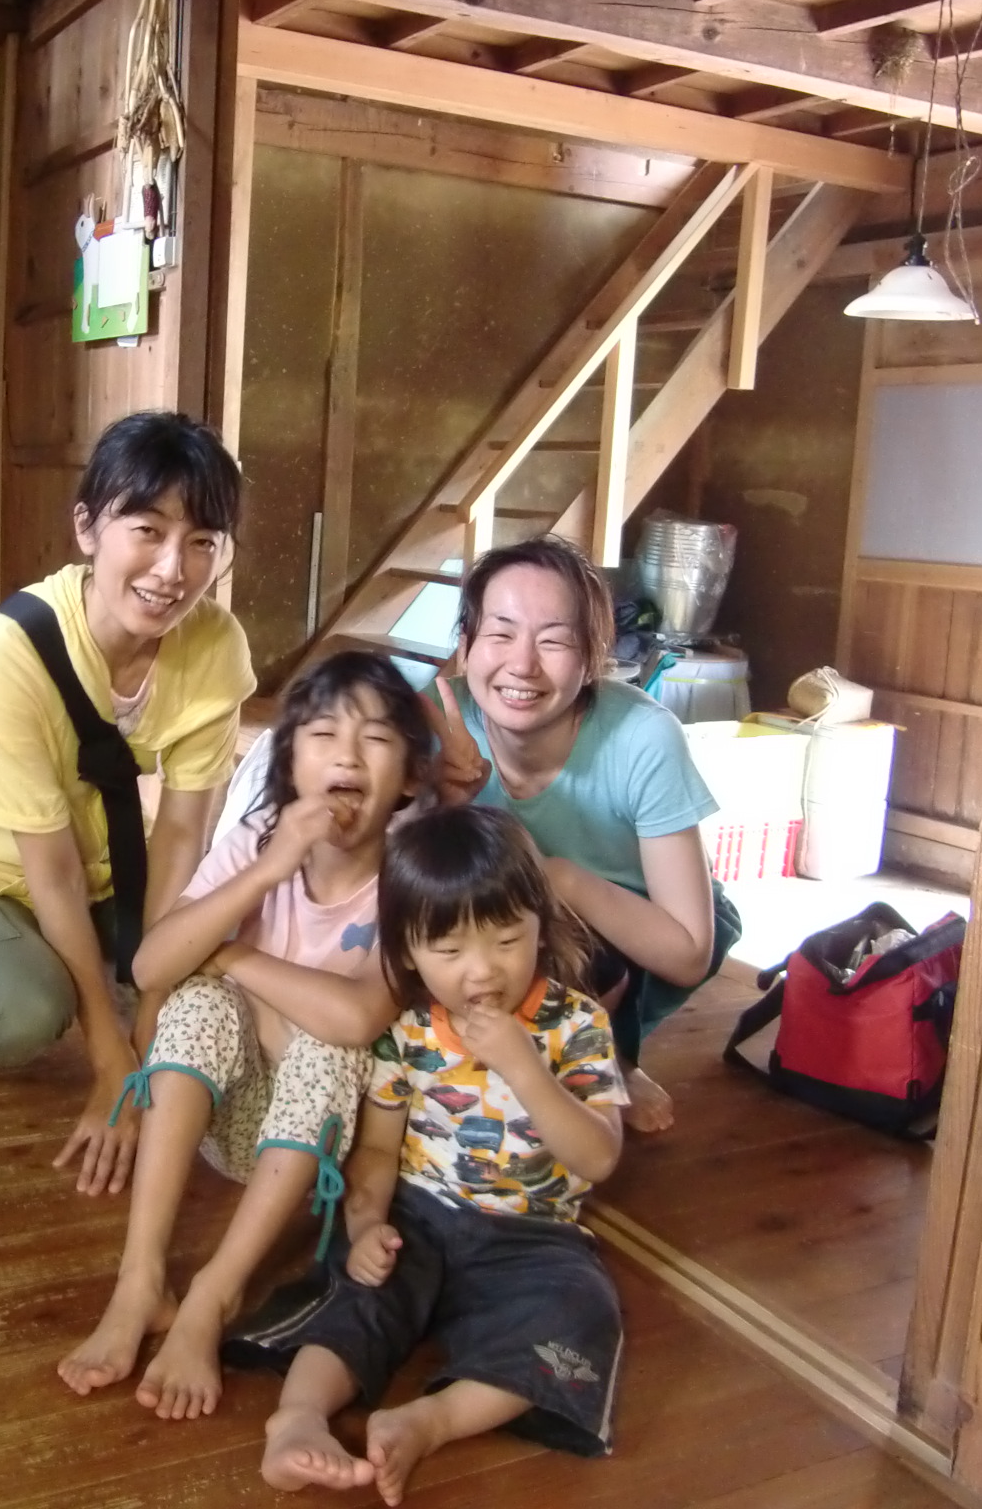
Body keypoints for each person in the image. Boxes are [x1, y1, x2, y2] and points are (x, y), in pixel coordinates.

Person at [0, 411, 255, 1196]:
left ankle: (109, 986)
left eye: (201, 542)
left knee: (205, 963)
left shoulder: (216, 646)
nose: (172, 569)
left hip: (107, 871)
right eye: (146, 531)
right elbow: (48, 871)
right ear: (87, 528)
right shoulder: (7, 651)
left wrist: (147, 1014)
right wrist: (113, 1062)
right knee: (25, 1007)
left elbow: (183, 831)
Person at [57, 652, 432, 1421]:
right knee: (195, 1003)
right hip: (221, 1115)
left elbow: (360, 1017)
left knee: (331, 1039)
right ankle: (139, 1280)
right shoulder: (259, 838)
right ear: (289, 765)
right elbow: (152, 965)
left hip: (318, 1140)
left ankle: (212, 1298)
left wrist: (232, 956)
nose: (347, 755)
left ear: (410, 779)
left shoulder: (411, 875)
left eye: (376, 739)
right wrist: (267, 872)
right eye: (322, 735)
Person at [227, 804, 629, 1504]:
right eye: (449, 951)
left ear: (540, 924)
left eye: (508, 939)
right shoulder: (407, 1031)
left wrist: (524, 1067)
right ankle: (297, 1419)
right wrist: (366, 1225)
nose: (483, 970)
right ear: (408, 951)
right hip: (419, 1214)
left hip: (534, 1236)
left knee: (580, 1308)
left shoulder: (577, 1024)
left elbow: (598, 1158)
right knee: (359, 1285)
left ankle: (429, 1421)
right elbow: (378, 1151)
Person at [424, 536, 739, 1131]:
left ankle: (611, 1052)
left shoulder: (642, 736)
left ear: (593, 658)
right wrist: (438, 803)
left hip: (630, 923)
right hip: (500, 923)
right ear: (466, 645)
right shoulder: (438, 721)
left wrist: (558, 877)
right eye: (500, 633)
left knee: (572, 946)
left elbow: (687, 953)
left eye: (554, 640)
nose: (523, 665)